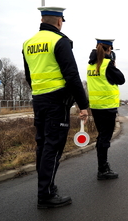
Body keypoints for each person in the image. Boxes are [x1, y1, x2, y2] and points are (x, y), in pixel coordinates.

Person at [22, 6, 89, 209]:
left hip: (39, 100)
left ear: (42, 20)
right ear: (59, 21)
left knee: (42, 145)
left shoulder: (28, 43)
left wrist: (40, 92)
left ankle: (47, 188)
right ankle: (46, 195)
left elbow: (29, 76)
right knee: (53, 146)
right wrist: (83, 105)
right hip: (57, 102)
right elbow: (72, 76)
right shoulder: (59, 41)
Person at [87, 38, 125, 180]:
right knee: (105, 138)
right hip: (107, 108)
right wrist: (113, 64)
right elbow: (121, 79)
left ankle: (102, 166)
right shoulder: (107, 64)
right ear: (109, 49)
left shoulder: (90, 65)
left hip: (96, 107)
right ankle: (102, 169)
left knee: (101, 136)